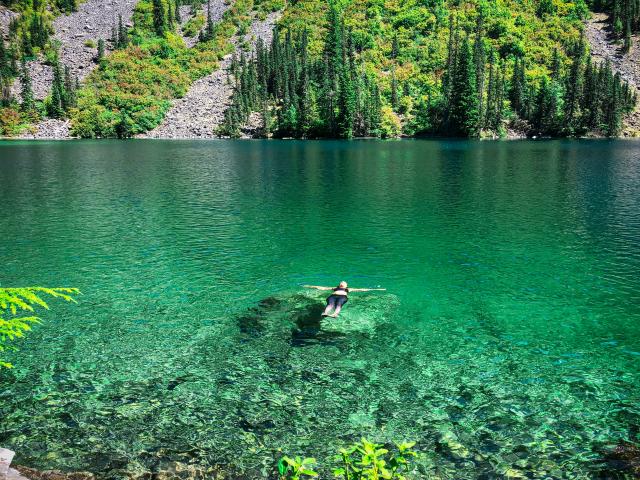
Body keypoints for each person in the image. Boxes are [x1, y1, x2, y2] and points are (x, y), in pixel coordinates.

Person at [303, 281, 386, 317]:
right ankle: (325, 313)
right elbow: (322, 288)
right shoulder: (334, 288)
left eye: (343, 284)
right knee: (330, 304)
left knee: (338, 305)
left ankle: (335, 314)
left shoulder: (348, 289)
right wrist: (310, 286)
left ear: (346, 285)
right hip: (333, 296)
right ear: (339, 285)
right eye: (341, 284)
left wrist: (377, 289)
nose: (342, 284)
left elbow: (361, 289)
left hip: (342, 297)